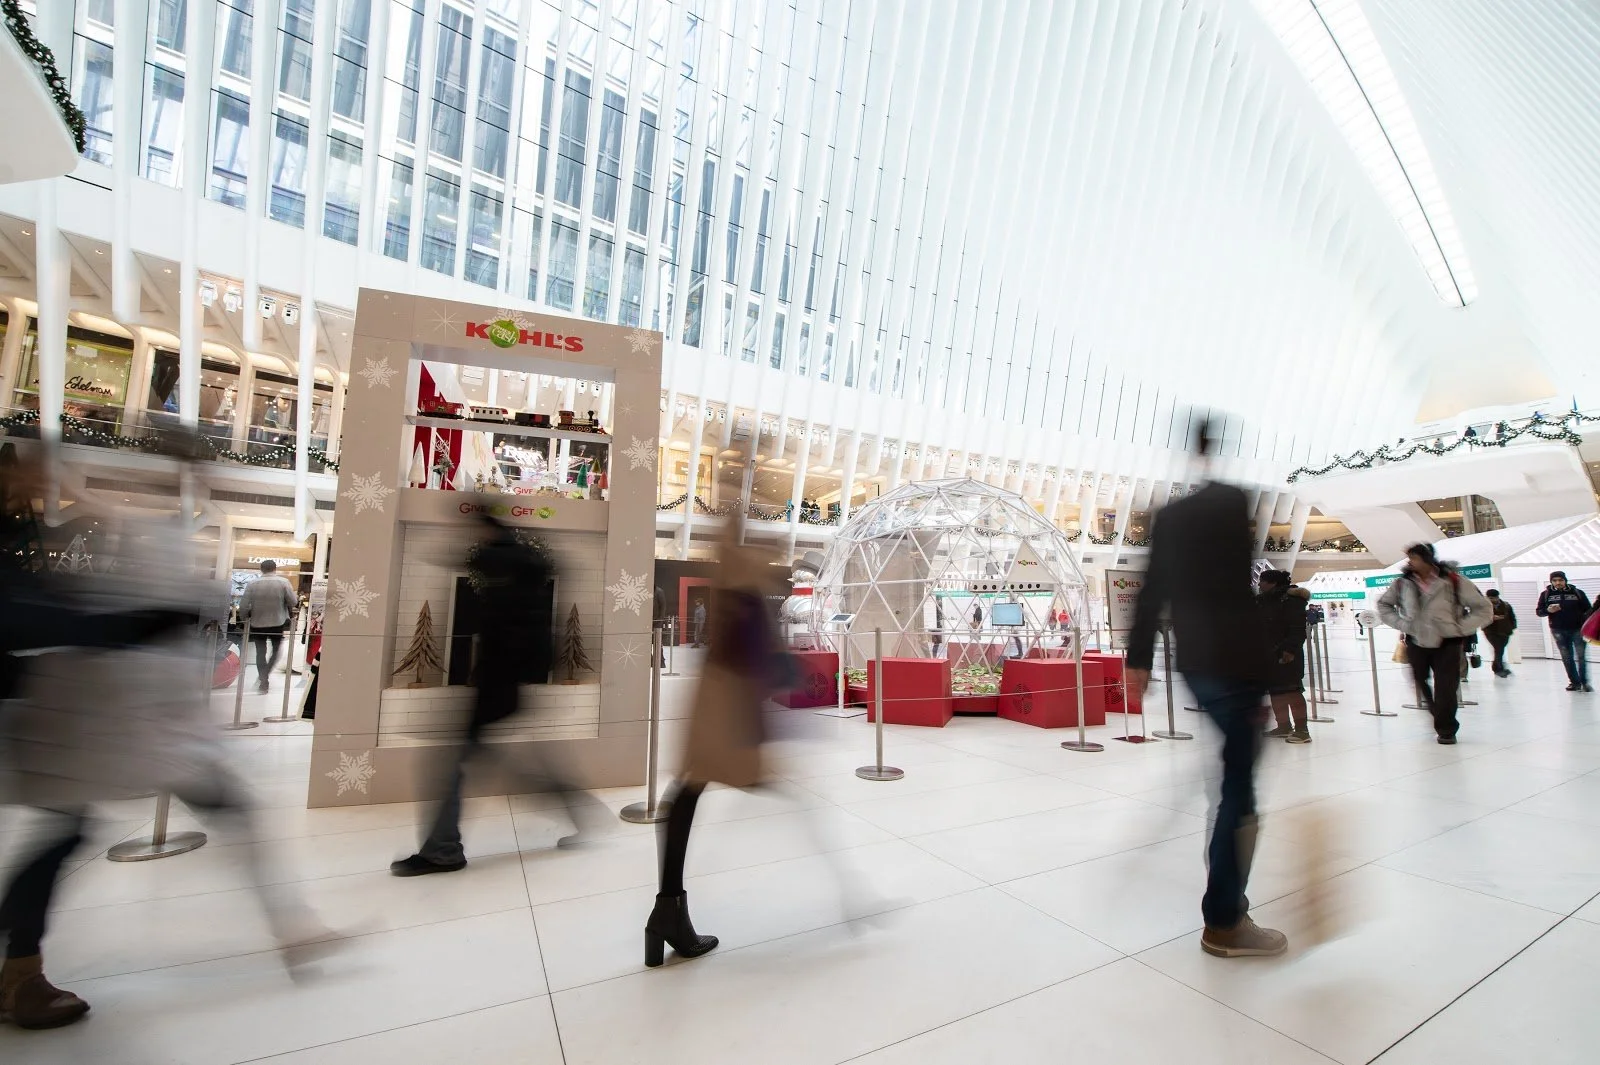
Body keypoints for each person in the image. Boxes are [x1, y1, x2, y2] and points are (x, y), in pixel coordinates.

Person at [1127, 417, 1285, 959]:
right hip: (1233, 662)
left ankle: (1226, 910)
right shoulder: (1231, 504)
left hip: (1196, 659)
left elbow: (1152, 591)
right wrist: (1263, 674)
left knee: (1232, 783)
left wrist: (1138, 659)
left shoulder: (1169, 517)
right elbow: (1237, 594)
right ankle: (1224, 919)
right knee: (1238, 789)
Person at [392, 512, 592, 876]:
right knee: (513, 770)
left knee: (457, 768)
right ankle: (580, 809)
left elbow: (502, 624)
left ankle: (443, 849)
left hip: (496, 686)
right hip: (503, 685)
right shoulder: (521, 569)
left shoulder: (504, 566)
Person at [644, 523, 789, 967]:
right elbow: (756, 649)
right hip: (730, 701)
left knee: (688, 790)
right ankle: (667, 909)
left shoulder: (734, 570)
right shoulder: (744, 578)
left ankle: (667, 911)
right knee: (693, 790)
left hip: (718, 693)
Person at [1376, 543, 1492, 743]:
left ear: (1427, 559)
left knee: (1446, 686)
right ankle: (1439, 714)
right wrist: (1403, 624)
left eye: (1414, 558)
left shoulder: (1453, 581)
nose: (1410, 562)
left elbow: (1482, 608)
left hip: (1448, 641)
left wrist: (1459, 627)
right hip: (1416, 639)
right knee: (1420, 680)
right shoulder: (1403, 583)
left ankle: (1446, 729)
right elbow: (1384, 604)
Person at [1257, 571, 1311, 743]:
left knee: (1292, 691)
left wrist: (1289, 650)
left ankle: (1302, 730)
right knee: (1276, 692)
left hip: (1287, 654)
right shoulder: (1263, 601)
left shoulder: (1291, 602)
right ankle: (1283, 726)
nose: (1259, 585)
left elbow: (1297, 629)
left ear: (1272, 583)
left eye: (1262, 581)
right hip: (1268, 654)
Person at [238, 559, 297, 693]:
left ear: (261, 569)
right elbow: (293, 602)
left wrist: (243, 618)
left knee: (260, 652)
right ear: (275, 569)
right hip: (277, 622)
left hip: (257, 623)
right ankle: (264, 676)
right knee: (276, 651)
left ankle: (263, 679)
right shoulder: (283, 582)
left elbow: (243, 605)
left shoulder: (252, 584)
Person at [1536, 571, 1592, 692]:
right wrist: (1548, 610)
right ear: (1551, 582)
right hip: (1558, 630)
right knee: (1567, 657)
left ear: (1565, 580)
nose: (1558, 583)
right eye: (1554, 580)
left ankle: (1584, 683)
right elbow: (1539, 612)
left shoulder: (1577, 593)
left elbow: (1588, 610)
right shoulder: (1546, 594)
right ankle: (1574, 682)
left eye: (1560, 580)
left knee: (1581, 656)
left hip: (1578, 629)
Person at [1483, 590, 1516, 678]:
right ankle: (1498, 669)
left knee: (1500, 649)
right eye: (1489, 598)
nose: (1490, 600)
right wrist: (1491, 618)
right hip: (1491, 632)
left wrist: (1512, 627)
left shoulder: (1506, 605)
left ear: (1497, 597)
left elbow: (1512, 617)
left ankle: (1498, 667)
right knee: (1498, 649)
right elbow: (1481, 619)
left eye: (1492, 598)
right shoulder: (1484, 607)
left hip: (1505, 631)